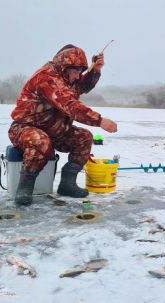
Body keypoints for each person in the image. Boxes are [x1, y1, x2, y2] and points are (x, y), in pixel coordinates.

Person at [8, 44, 118, 206]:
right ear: (64, 67)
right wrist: (99, 120)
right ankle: (25, 187)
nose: (77, 76)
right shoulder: (47, 78)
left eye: (79, 72)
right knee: (41, 141)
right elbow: (70, 105)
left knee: (84, 137)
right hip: (24, 128)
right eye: (75, 72)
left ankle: (67, 184)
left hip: (55, 129)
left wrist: (95, 70)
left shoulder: (67, 78)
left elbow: (82, 85)